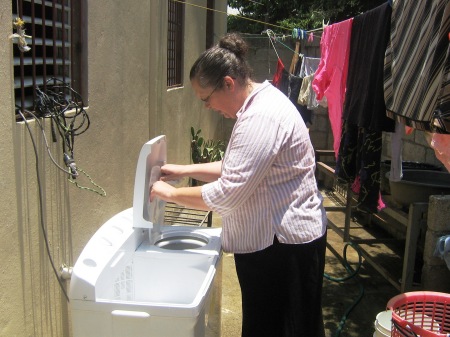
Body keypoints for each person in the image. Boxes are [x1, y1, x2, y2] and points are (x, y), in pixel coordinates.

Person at [151, 33, 327, 337]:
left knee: (282, 328)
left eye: (206, 99)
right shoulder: (258, 106)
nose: (206, 107)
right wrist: (184, 169)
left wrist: (171, 194)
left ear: (229, 84)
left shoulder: (261, 118)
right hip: (276, 243)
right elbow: (240, 168)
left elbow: (229, 193)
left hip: (282, 249)